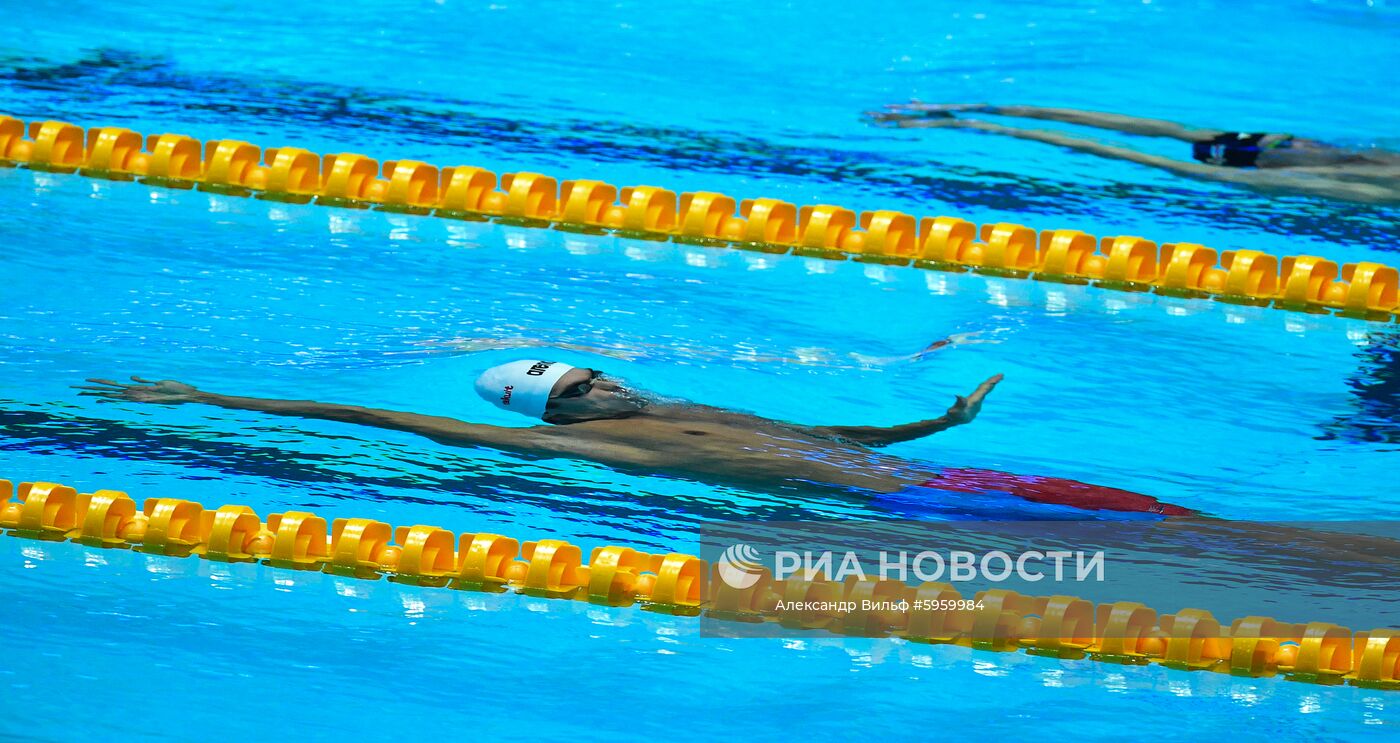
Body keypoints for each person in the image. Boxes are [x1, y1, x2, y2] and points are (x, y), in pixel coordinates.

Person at [74, 360, 1197, 520]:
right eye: (580, 382)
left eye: (593, 365)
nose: (604, 376)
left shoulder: (687, 409)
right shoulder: (605, 450)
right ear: (561, 418)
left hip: (934, 469)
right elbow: (381, 416)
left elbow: (826, 429)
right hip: (914, 510)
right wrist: (211, 400)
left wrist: (934, 422)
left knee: (1169, 517)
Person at [868, 102, 1400, 205]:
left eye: (1292, 139)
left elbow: (1117, 124)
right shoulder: (1281, 175)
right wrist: (981, 121)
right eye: (1287, 142)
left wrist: (975, 108)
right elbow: (1104, 141)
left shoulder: (1281, 152)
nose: (1304, 140)